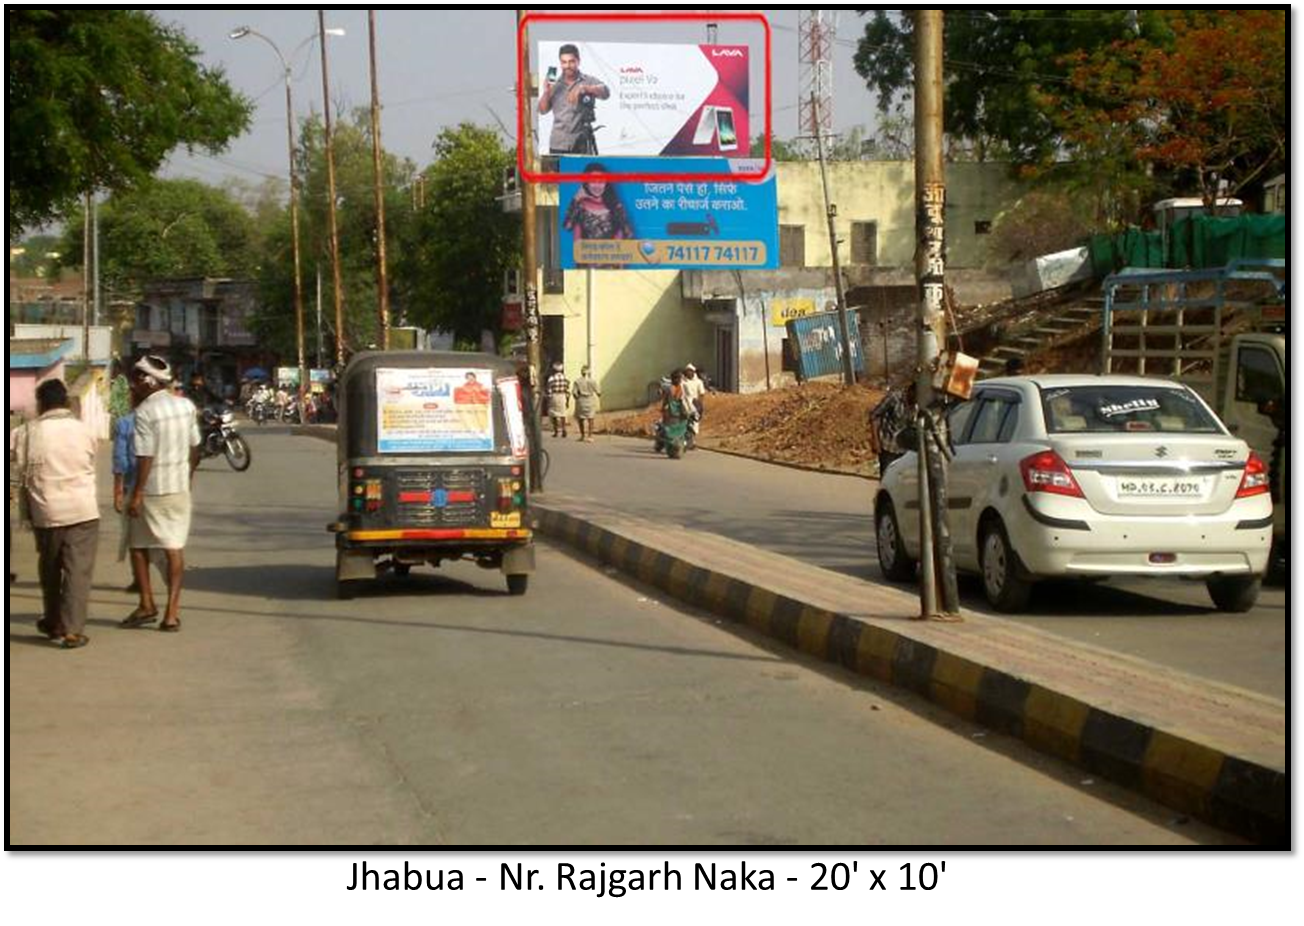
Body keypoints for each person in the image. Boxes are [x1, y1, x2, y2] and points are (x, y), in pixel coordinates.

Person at [11, 379, 100, 649]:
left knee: (50, 568)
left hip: (45, 512)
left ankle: (52, 620)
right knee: (77, 571)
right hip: (83, 510)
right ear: (64, 402)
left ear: (41, 403)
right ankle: (71, 629)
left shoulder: (27, 432)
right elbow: (91, 458)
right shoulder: (83, 430)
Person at [122, 355, 201, 633]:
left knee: (139, 545)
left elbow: (145, 455)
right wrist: (188, 477)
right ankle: (171, 613)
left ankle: (147, 603)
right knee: (174, 548)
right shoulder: (186, 406)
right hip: (179, 488)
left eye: (137, 380)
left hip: (153, 490)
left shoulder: (144, 412)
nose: (135, 385)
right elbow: (195, 448)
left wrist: (138, 494)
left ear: (148, 381)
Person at [538, 43, 609, 155]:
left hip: (582, 144)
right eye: (564, 62)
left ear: (578, 61)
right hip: (558, 144)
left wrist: (585, 88)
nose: (567, 66)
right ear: (560, 63)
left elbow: (606, 92)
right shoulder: (554, 85)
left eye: (571, 61)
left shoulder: (587, 81)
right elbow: (542, 110)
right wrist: (546, 92)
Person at [563, 164, 634, 242]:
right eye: (593, 181)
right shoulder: (580, 206)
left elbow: (629, 234)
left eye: (601, 181)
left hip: (611, 253)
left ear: (606, 183)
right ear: (586, 183)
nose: (597, 186)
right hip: (587, 253)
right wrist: (576, 198)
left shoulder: (615, 206)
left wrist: (618, 238)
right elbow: (567, 227)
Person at [868, 382, 915, 478]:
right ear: (911, 391)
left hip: (905, 450)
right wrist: (875, 440)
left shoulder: (917, 405)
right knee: (887, 478)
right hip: (889, 446)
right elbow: (874, 416)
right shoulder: (894, 398)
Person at [572, 365, 601, 442]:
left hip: (581, 400)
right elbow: (598, 392)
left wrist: (577, 399)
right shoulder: (593, 381)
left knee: (581, 419)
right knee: (590, 418)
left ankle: (582, 436)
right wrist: (598, 394)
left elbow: (574, 393)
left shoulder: (577, 381)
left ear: (581, 372)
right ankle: (590, 436)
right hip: (590, 400)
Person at [546, 361, 571, 438]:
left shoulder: (551, 378)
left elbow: (549, 389)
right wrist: (567, 400)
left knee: (554, 414)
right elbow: (567, 389)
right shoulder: (565, 378)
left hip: (554, 396)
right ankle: (564, 429)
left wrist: (549, 398)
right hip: (562, 395)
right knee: (562, 414)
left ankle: (556, 431)